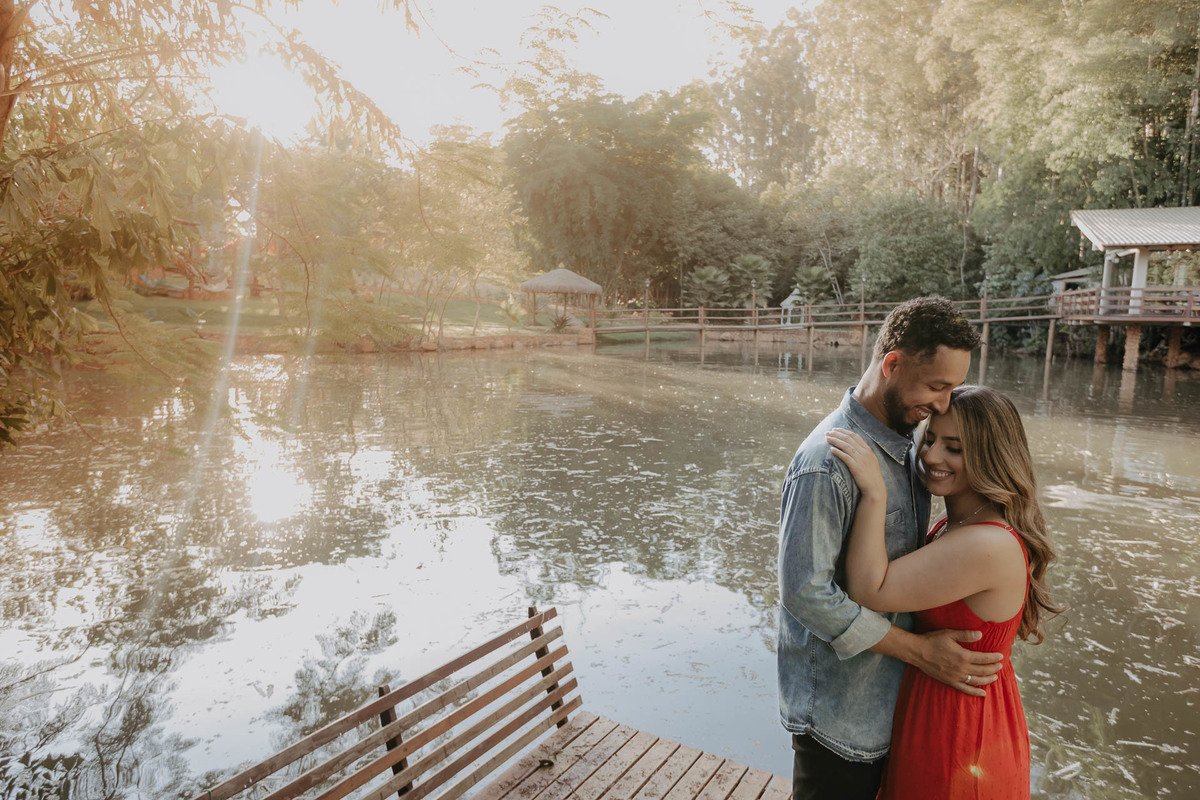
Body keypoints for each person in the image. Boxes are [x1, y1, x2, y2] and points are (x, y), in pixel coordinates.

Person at [778, 296, 998, 800]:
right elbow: (805, 594)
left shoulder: (913, 441)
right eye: (936, 386)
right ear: (892, 364)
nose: (944, 405)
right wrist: (921, 652)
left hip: (891, 705)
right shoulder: (825, 462)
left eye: (953, 389)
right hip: (840, 714)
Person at [825, 385, 1059, 798]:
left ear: (992, 457)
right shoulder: (962, 525)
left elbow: (869, 589)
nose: (931, 456)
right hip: (945, 710)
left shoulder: (985, 544)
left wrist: (875, 492)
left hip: (961, 734)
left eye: (954, 448)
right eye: (929, 439)